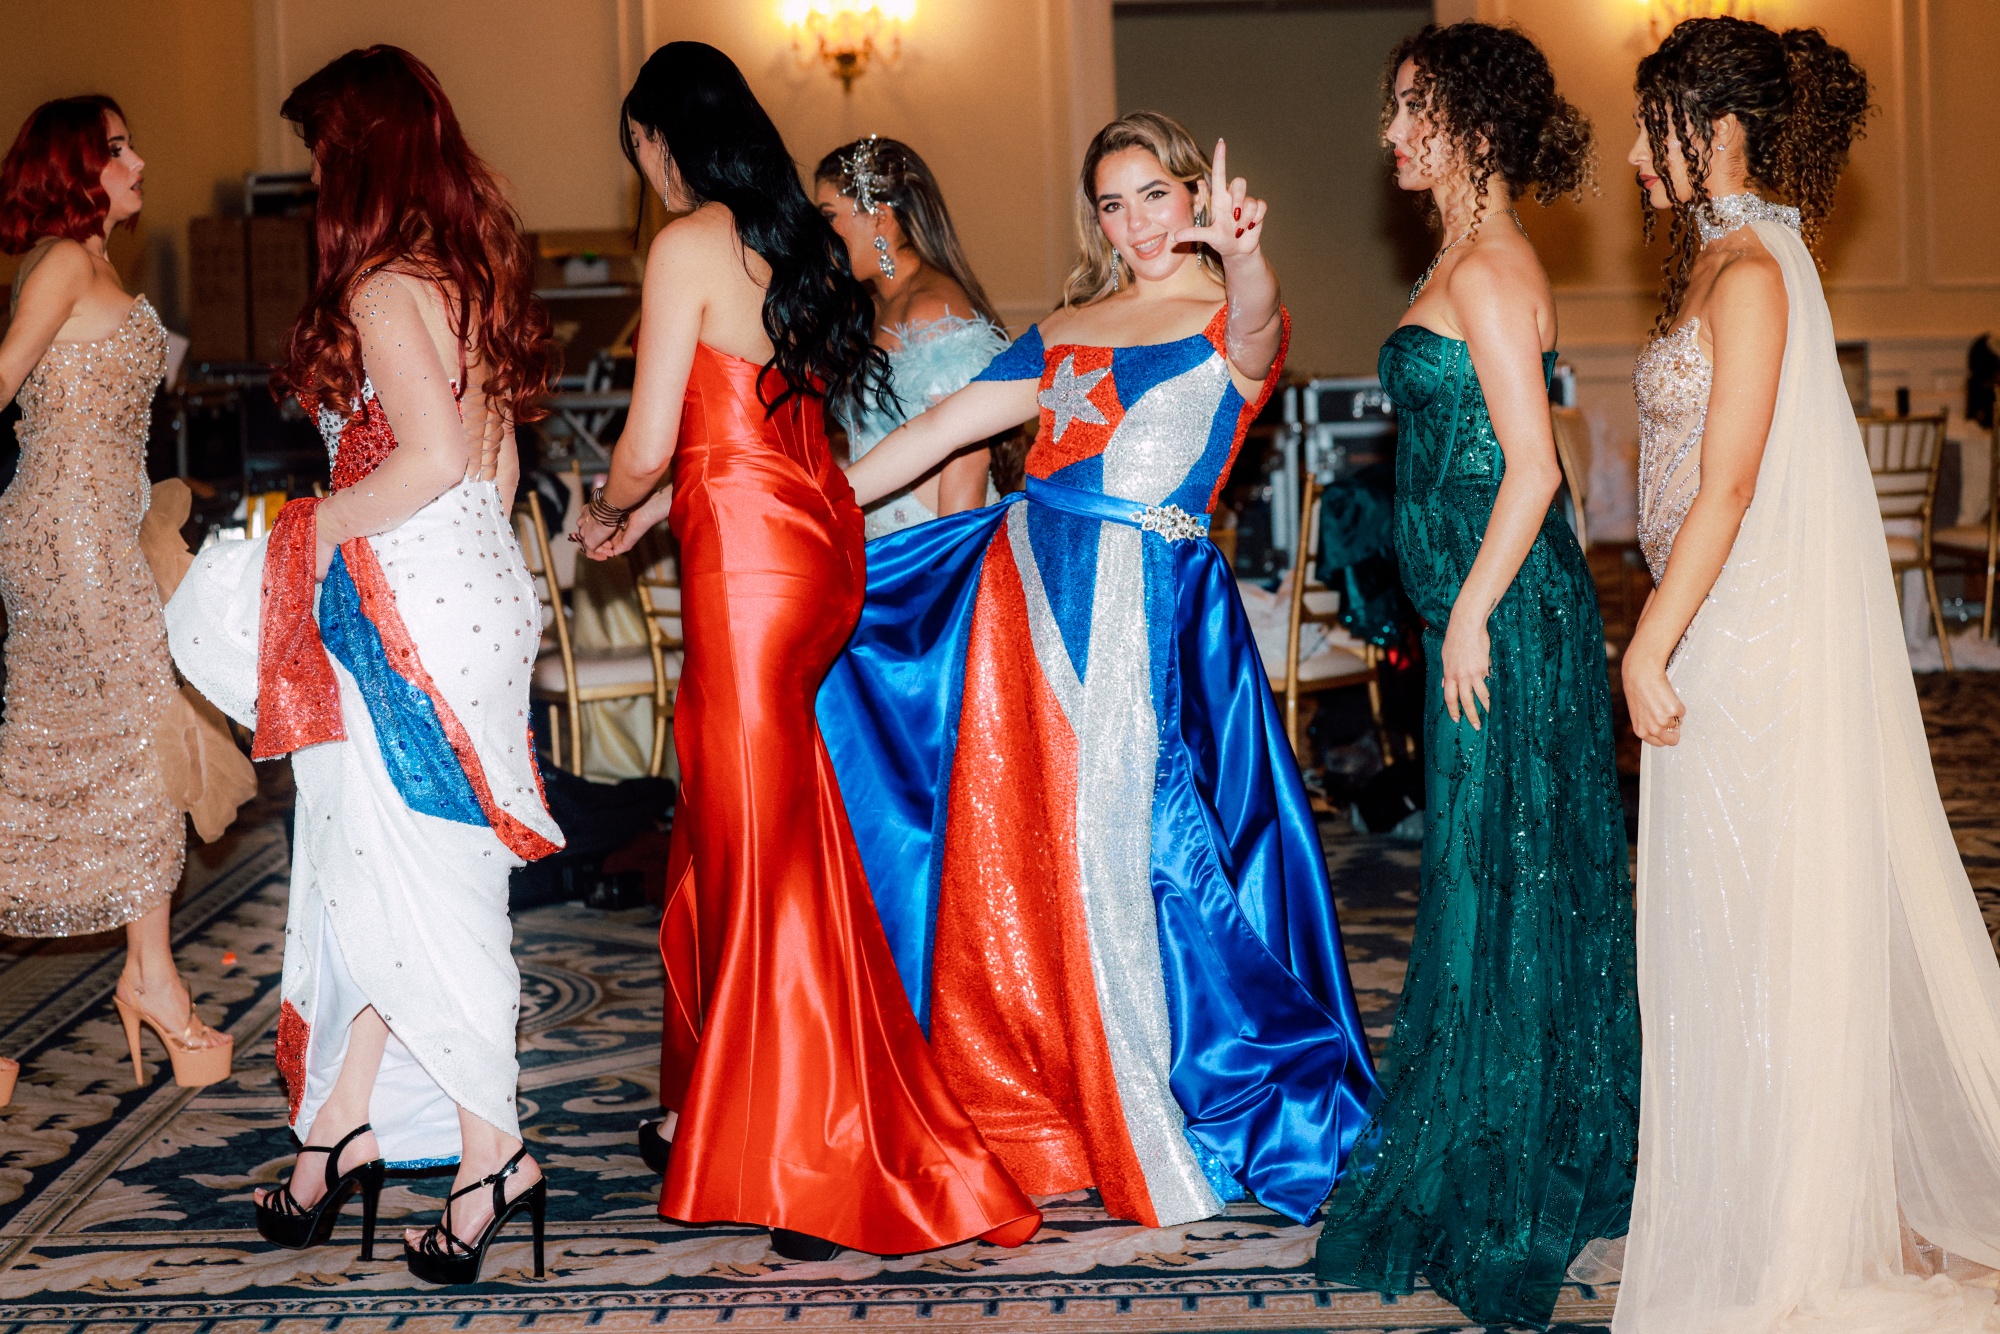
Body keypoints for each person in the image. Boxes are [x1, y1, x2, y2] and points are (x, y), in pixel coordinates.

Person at [818, 110, 1379, 1231]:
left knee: (1146, 854)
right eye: (1111, 204)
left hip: (1136, 611)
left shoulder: (1223, 314)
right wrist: (802, 508)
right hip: (1023, 600)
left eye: (1152, 197)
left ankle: (1193, 1092)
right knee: (1021, 857)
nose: (1132, 223)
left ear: (1193, 195)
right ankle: (1050, 1105)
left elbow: (1264, 332)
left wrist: (1245, 249)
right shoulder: (1069, 322)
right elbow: (935, 433)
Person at [572, 41, 1039, 1262]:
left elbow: (649, 439)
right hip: (811, 546)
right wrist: (651, 509)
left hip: (748, 575)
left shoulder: (686, 244)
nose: (647, 176)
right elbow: (755, 421)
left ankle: (815, 1149)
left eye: (641, 152)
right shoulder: (800, 245)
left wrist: (607, 509)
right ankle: (717, 1105)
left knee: (760, 847)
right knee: (756, 831)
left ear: (663, 138)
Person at [1614, 19, 2000, 1332]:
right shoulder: (1725, 258)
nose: (1629, 153)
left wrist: (1650, 639)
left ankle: (1794, 1217)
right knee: (1724, 925)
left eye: (1648, 123)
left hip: (1746, 650)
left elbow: (1728, 487)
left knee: (1756, 921)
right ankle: (1760, 1189)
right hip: (1718, 632)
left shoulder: (1755, 272)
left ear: (1710, 125)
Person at [165, 47, 564, 1285]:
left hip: (410, 612)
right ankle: (337, 1131)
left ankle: (495, 1153)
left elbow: (436, 457)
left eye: (321, 154)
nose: (313, 179)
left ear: (356, 154)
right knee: (385, 877)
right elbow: (490, 474)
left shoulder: (389, 284)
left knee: (410, 886)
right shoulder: (469, 267)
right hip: (472, 594)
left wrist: (305, 531)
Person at [1313, 23, 1639, 1331]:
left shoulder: (1494, 266)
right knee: (1492, 875)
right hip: (1490, 615)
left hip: (1505, 623)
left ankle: (1511, 1166)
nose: (1391, 133)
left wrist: (1467, 621)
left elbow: (1536, 464)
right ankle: (1508, 1122)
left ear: (1471, 123)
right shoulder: (1462, 253)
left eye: (1411, 111)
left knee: (1507, 880)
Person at [0, 95, 240, 1102]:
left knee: (90, 750)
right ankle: (152, 977)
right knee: (148, 733)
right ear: (76, 168)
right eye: (116, 147)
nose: (138, 158)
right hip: (66, 540)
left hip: (108, 532)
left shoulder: (99, 266)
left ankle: (150, 972)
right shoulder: (62, 261)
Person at [812, 135, 1009, 536]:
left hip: (928, 548)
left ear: (881, 218)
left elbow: (967, 459)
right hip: (883, 544)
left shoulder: (934, 310)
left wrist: (945, 576)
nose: (820, 234)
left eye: (829, 216)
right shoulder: (872, 306)